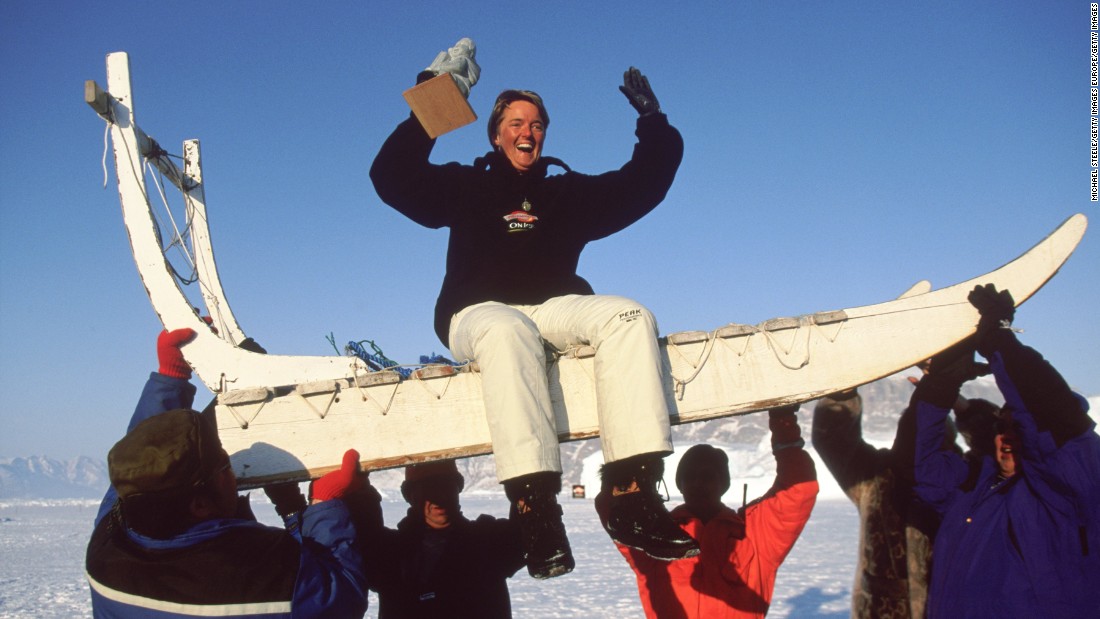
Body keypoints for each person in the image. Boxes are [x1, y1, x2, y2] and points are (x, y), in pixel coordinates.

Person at [370, 55, 696, 579]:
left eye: (537, 124)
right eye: (516, 123)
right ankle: (535, 510)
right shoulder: (466, 186)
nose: (529, 132)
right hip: (477, 314)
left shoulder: (564, 193)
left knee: (628, 316)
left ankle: (633, 495)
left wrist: (653, 122)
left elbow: (643, 184)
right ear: (497, 135)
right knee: (508, 329)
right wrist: (438, 95)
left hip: (552, 310)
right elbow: (392, 177)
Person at [85, 328, 371, 618]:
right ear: (199, 504)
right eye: (224, 467)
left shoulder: (108, 544)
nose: (233, 471)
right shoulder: (261, 576)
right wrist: (324, 505)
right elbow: (341, 596)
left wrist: (170, 378)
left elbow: (142, 465)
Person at [913, 284, 1100, 618]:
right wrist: (940, 385)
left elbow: (1052, 414)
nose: (1007, 437)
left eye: (1020, 428)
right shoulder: (976, 490)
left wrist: (998, 340)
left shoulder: (1070, 489)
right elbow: (923, 468)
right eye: (1001, 428)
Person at [597, 405, 818, 618]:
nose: (697, 483)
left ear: (723, 483)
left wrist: (783, 422)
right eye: (689, 477)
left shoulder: (754, 536)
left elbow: (799, 488)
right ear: (680, 484)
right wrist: (629, 472)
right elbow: (611, 507)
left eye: (707, 476)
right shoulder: (652, 534)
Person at [812, 384, 999, 618]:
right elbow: (833, 439)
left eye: (930, 444)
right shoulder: (876, 476)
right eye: (912, 440)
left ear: (949, 444)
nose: (919, 452)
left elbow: (999, 447)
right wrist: (842, 394)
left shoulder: (970, 479)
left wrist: (964, 408)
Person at [362, 460, 526, 618]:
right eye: (429, 489)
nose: (440, 497)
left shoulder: (490, 541)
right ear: (411, 496)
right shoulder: (389, 554)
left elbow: (531, 533)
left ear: (457, 491)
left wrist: (524, 481)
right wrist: (359, 488)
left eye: (446, 487)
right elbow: (359, 524)